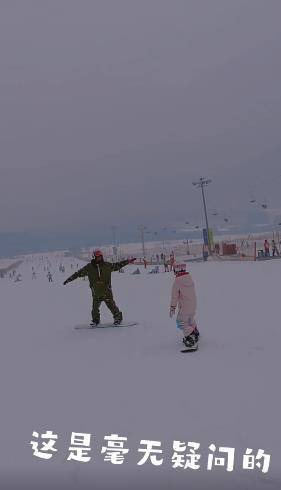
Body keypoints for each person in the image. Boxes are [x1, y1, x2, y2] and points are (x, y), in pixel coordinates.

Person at [63, 249, 136, 326]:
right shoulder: (89, 268)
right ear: (94, 257)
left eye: (100, 256)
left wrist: (127, 261)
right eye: (97, 257)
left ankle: (118, 318)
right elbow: (78, 274)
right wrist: (68, 279)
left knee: (112, 306)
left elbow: (117, 265)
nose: (99, 258)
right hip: (96, 292)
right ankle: (96, 320)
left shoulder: (107, 266)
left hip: (106, 291)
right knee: (95, 308)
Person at [169, 263, 199, 351]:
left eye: (174, 269)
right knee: (189, 319)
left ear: (177, 270)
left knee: (181, 322)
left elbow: (174, 297)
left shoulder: (177, 281)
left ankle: (191, 339)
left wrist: (172, 308)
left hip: (185, 306)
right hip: (193, 304)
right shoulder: (189, 278)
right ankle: (195, 333)